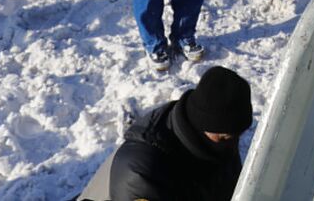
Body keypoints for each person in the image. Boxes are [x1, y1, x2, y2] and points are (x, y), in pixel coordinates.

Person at [105, 65, 253, 201]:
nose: (233, 144)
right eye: (224, 137)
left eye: (237, 135)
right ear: (200, 125)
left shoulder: (213, 141)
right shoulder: (144, 175)